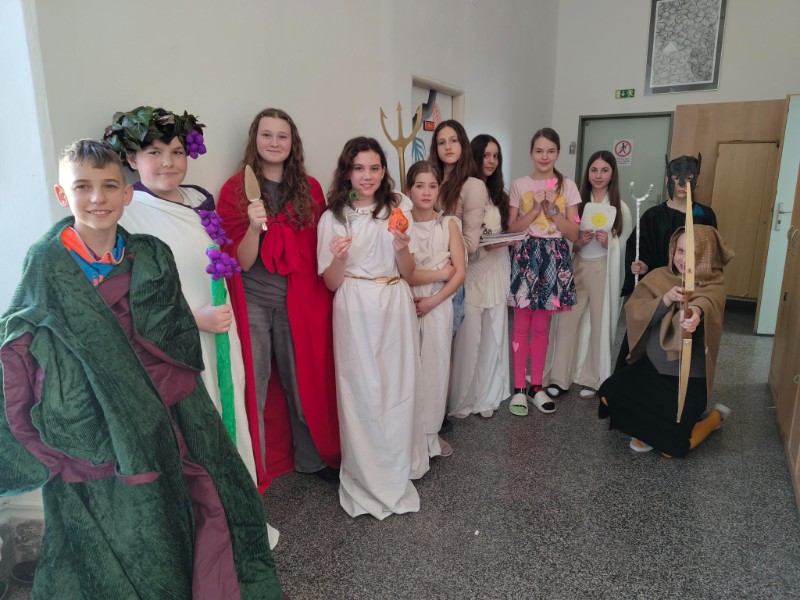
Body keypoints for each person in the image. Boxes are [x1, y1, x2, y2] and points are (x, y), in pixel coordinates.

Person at [0, 139, 281, 599]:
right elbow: (22, 338)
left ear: (127, 193)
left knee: (193, 497)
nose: (98, 198)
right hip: (95, 414)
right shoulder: (46, 261)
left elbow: (175, 331)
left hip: (164, 403)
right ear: (62, 194)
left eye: (110, 186)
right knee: (121, 518)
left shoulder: (151, 254)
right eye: (83, 187)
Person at [103, 106, 258, 485]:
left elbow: (222, 262)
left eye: (176, 152)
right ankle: (211, 514)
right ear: (132, 159)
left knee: (229, 408)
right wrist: (192, 320)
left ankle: (239, 503)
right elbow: (129, 296)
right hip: (178, 341)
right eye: (154, 153)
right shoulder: (127, 213)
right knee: (195, 429)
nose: (168, 162)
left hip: (222, 332)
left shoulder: (198, 199)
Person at [217, 108, 340, 489]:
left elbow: (317, 251)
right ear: (255, 139)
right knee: (253, 386)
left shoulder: (310, 189)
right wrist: (254, 228)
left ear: (292, 143)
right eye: (266, 135)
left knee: (301, 383)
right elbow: (240, 261)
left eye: (282, 136)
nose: (274, 142)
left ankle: (311, 459)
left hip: (297, 302)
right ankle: (254, 466)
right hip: (253, 302)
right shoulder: (235, 190)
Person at [317, 137, 427, 519]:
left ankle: (397, 463)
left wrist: (401, 247)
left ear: (384, 171)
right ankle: (368, 473)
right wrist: (339, 258)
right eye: (359, 168)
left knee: (398, 387)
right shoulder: (334, 217)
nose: (367, 176)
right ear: (347, 172)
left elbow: (408, 272)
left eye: (375, 168)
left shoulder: (398, 208)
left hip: (394, 302)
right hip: (355, 306)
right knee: (362, 391)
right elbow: (332, 283)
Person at [598, 225, 734, 457]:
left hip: (687, 380)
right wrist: (666, 299)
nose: (683, 259)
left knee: (672, 448)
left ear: (706, 256)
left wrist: (693, 314)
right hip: (652, 369)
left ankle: (712, 419)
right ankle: (651, 427)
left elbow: (706, 302)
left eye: (692, 253)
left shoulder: (713, 283)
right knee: (608, 394)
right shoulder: (660, 276)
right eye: (680, 251)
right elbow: (636, 310)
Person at [429, 122, 510, 419]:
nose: (448, 147)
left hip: (458, 270)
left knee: (466, 337)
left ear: (463, 144)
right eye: (441, 142)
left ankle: (462, 400)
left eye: (453, 140)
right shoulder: (431, 179)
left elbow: (470, 243)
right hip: (429, 271)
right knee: (436, 345)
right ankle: (432, 405)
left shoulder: (472, 185)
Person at [615, 155, 717, 371]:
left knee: (684, 346)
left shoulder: (704, 215)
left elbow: (711, 254)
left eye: (689, 178)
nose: (682, 184)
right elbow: (639, 249)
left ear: (696, 179)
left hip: (692, 289)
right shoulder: (653, 216)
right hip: (658, 289)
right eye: (677, 178)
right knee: (646, 344)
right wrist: (642, 267)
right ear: (667, 180)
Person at [545, 151, 632, 399]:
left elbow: (625, 246)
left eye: (604, 170)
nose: (598, 175)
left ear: (612, 174)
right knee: (566, 322)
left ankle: (592, 379)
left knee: (599, 323)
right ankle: (559, 377)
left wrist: (609, 243)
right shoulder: (577, 203)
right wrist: (579, 242)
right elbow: (564, 237)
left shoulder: (621, 208)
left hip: (603, 269)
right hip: (577, 266)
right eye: (594, 170)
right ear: (587, 173)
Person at [506, 128, 580, 416]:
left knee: (541, 327)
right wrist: (535, 208)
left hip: (553, 256)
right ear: (531, 153)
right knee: (520, 325)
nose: (544, 156)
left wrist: (552, 211)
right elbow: (512, 228)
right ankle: (518, 388)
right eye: (539, 150)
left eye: (550, 151)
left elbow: (574, 232)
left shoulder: (568, 187)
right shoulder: (519, 185)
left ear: (558, 153)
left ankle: (536, 385)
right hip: (526, 254)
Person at [405, 160, 466, 458]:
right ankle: (408, 434)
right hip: (407, 301)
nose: (426, 192)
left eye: (432, 186)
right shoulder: (401, 223)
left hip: (438, 303)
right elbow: (406, 273)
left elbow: (460, 272)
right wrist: (441, 272)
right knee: (409, 368)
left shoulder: (448, 224)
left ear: (440, 189)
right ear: (409, 190)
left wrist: (433, 300)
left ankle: (431, 433)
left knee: (435, 366)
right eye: (419, 186)